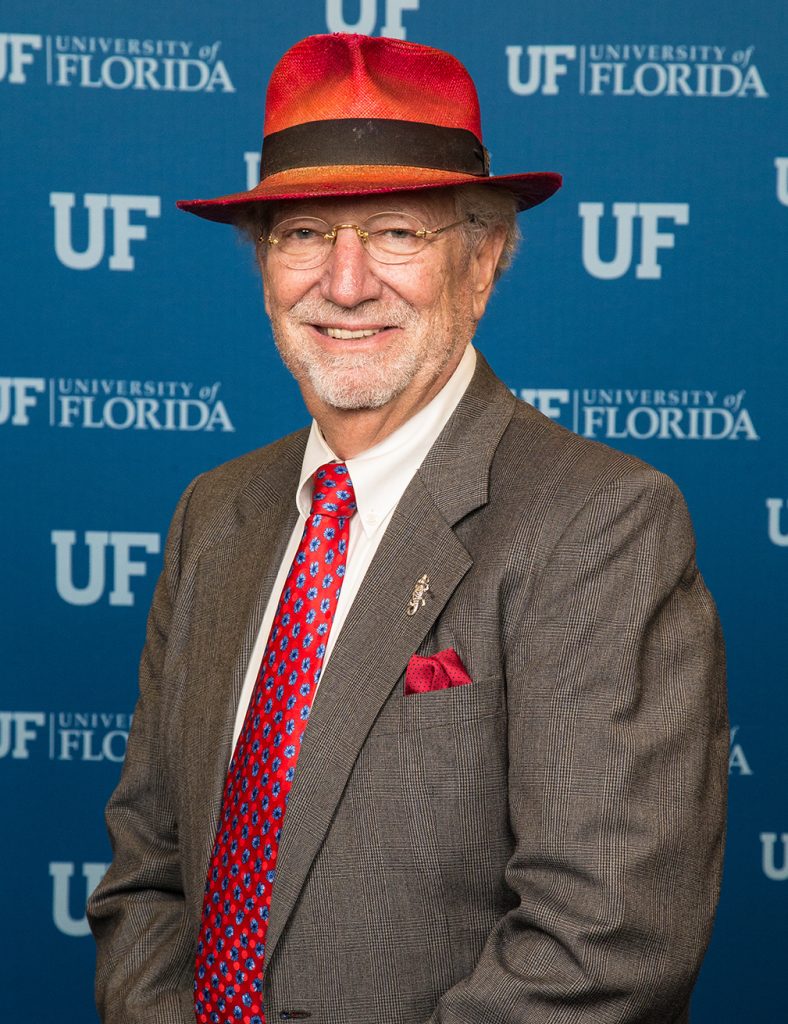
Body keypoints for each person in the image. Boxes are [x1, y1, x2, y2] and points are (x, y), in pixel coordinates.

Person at [87, 32, 727, 1024]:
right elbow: (148, 870)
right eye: (305, 233)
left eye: (395, 233)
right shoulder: (215, 512)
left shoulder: (601, 523)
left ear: (482, 261)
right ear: (264, 262)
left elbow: (605, 941)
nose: (344, 284)